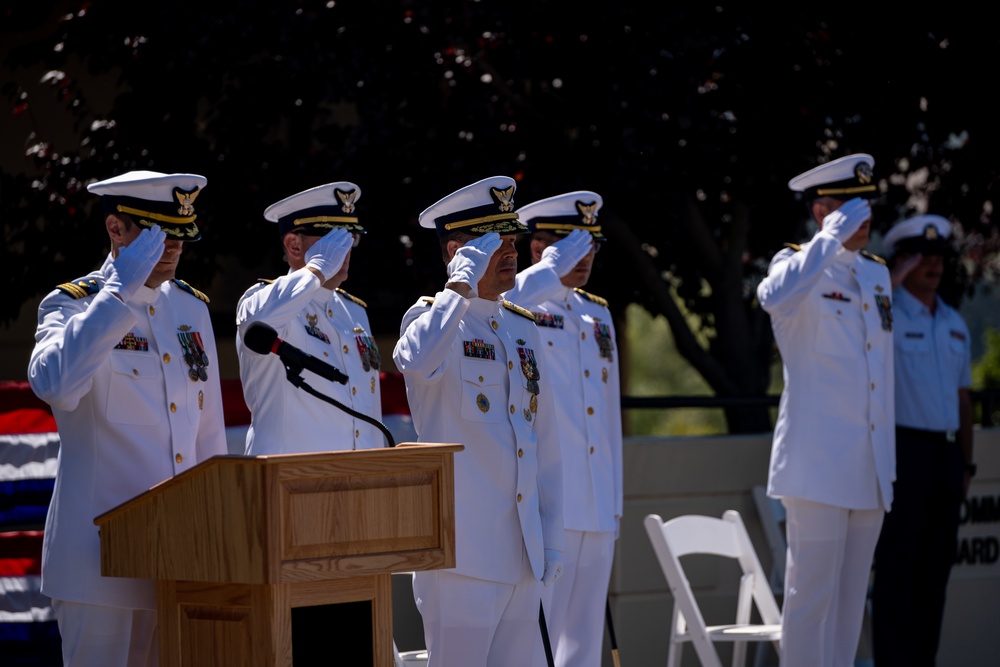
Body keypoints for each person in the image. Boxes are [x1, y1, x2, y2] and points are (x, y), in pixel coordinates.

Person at [27, 170, 228, 666]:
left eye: (179, 235)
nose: (173, 249)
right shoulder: (71, 305)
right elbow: (53, 383)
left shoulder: (190, 310)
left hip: (177, 562)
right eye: (158, 235)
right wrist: (117, 293)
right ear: (116, 230)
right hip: (99, 564)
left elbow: (207, 439)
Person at [392, 175, 565, 667]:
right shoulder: (431, 321)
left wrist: (550, 537)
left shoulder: (522, 326)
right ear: (457, 251)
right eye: (493, 244)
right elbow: (417, 361)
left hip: (524, 553)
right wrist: (457, 287)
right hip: (462, 555)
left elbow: (544, 444)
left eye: (511, 240)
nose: (509, 252)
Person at [756, 153, 896, 667]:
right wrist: (828, 241)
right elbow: (772, 296)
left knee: (849, 605)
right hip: (816, 469)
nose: (865, 220)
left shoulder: (876, 276)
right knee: (809, 601)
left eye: (867, 209)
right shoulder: (797, 268)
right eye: (850, 210)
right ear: (823, 212)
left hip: (870, 467)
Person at [502, 191, 622, 667]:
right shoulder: (522, 301)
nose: (586, 257)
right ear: (539, 250)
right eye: (573, 246)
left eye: (592, 246)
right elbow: (504, 300)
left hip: (596, 502)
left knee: (586, 642)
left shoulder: (597, 313)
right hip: (553, 501)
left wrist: (613, 504)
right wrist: (549, 271)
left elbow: (608, 417)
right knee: (541, 639)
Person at [870, 214, 974, 667]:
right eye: (921, 258)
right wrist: (889, 284)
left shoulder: (953, 323)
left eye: (938, 259)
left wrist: (966, 465)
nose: (932, 266)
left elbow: (963, 399)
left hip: (947, 456)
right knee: (897, 570)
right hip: (903, 453)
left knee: (934, 574)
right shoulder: (885, 316)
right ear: (903, 262)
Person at [236, 181, 385, 454]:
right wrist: (316, 269)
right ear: (294, 245)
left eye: (349, 237)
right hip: (290, 480)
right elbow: (260, 322)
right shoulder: (261, 300)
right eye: (333, 239)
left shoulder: (354, 311)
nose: (345, 248)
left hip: (360, 481)